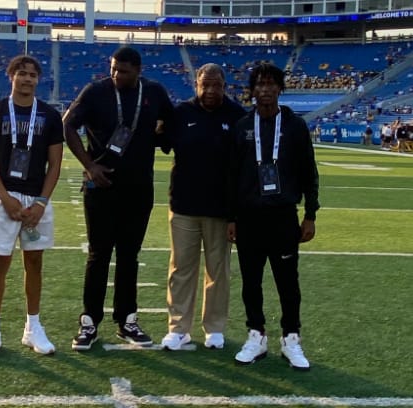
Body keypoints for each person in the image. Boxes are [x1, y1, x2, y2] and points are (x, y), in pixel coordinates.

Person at [63, 46, 174, 350]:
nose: (116, 75)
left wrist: (160, 136)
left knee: (129, 256)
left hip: (138, 188)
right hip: (102, 186)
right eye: (113, 68)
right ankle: (89, 322)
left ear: (138, 70)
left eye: (123, 70)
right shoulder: (95, 92)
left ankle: (127, 321)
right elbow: (67, 125)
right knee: (98, 255)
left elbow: (170, 121)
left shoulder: (154, 91)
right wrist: (89, 165)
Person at [228, 63, 320, 370]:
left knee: (287, 283)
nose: (265, 89)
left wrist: (310, 215)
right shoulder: (242, 126)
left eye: (271, 84)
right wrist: (231, 218)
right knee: (251, 283)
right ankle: (256, 335)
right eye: (260, 84)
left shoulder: (294, 126)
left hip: (283, 217)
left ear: (280, 89)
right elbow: (232, 177)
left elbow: (309, 172)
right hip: (248, 218)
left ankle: (291, 338)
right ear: (252, 90)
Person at [0, 55, 64, 360]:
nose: (27, 79)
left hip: (36, 197)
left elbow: (55, 164)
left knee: (34, 262)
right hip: (5, 196)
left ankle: (33, 328)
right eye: (22, 73)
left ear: (38, 80)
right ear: (11, 76)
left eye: (33, 75)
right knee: (0, 263)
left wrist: (42, 201)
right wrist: (4, 197)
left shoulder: (50, 115)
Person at [160, 63, 246, 351]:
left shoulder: (237, 116)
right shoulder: (181, 112)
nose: (210, 90)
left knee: (218, 270)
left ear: (225, 85)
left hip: (221, 208)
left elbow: (243, 167)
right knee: (181, 268)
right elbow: (161, 141)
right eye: (204, 85)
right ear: (195, 84)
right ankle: (179, 327)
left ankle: (215, 327)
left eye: (216, 85)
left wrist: (237, 213)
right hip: (183, 204)